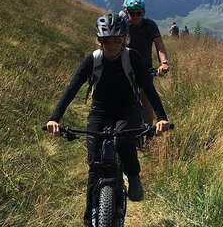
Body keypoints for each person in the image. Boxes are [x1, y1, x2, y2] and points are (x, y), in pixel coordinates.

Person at [45, 12, 170, 225]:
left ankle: (133, 175)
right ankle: (88, 220)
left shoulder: (132, 58)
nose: (111, 45)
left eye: (116, 40)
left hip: (127, 110)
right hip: (100, 111)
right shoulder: (92, 60)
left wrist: (161, 118)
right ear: (99, 40)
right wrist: (54, 118)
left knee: (123, 138)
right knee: (94, 165)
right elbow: (72, 87)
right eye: (106, 40)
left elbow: (148, 89)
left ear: (124, 39)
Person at [121, 0, 170, 125]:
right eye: (132, 13)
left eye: (139, 13)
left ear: (144, 13)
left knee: (147, 101)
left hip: (145, 69)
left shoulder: (150, 25)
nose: (136, 16)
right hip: (124, 67)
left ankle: (148, 134)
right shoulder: (122, 25)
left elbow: (159, 45)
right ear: (126, 12)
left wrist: (164, 63)